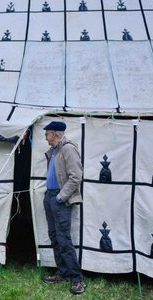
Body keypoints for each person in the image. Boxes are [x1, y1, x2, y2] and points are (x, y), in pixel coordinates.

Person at [42, 121, 86, 294]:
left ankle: (77, 279)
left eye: (47, 133)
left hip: (60, 199)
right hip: (50, 197)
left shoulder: (68, 149)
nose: (45, 135)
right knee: (54, 237)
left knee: (64, 239)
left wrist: (61, 197)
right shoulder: (55, 150)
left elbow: (76, 177)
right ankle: (62, 272)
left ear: (55, 134)